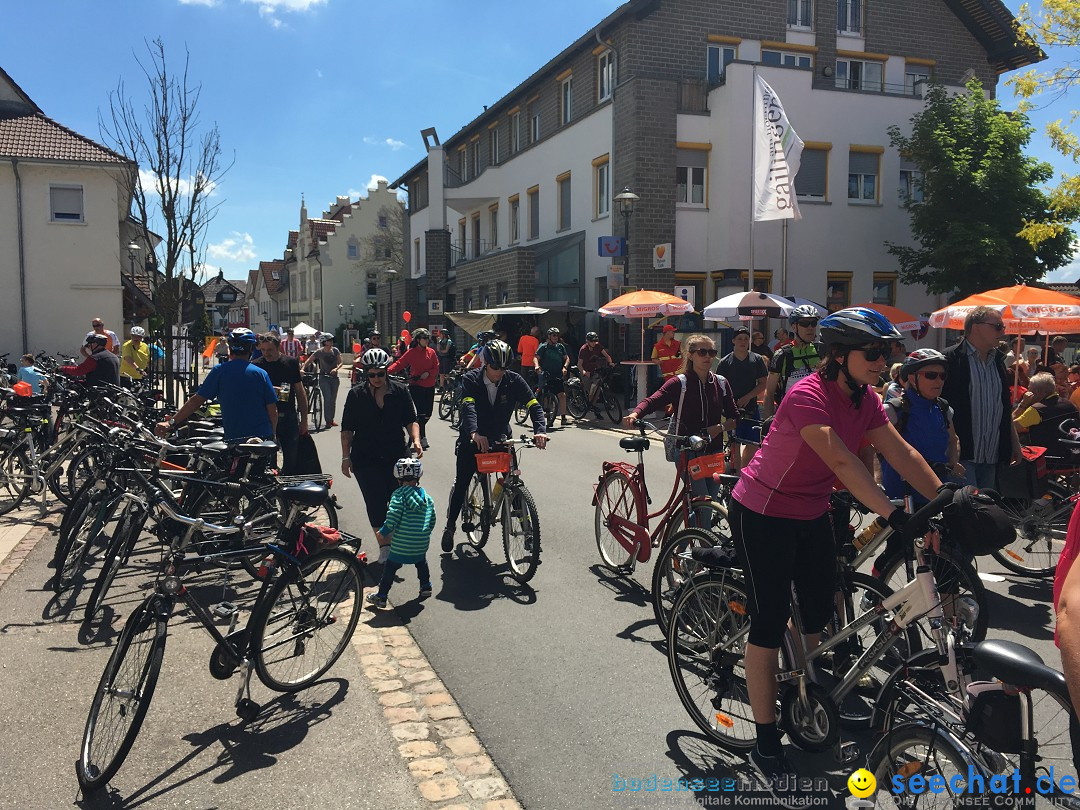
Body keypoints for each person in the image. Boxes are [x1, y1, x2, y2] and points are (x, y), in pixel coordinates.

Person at [727, 308, 943, 800]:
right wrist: (892, 513)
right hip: (762, 510)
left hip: (809, 512)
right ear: (839, 355)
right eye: (873, 353)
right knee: (769, 620)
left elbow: (901, 452)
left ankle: (807, 693)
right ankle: (765, 741)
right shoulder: (807, 395)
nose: (882, 361)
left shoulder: (865, 399)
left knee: (819, 611)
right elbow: (842, 461)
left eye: (886, 352)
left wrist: (944, 499)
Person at [441, 340, 548, 552]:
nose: (499, 372)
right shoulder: (471, 379)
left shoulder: (513, 380)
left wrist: (540, 430)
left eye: (504, 368)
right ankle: (450, 526)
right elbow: (468, 406)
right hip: (473, 438)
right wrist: (474, 432)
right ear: (485, 363)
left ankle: (527, 531)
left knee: (512, 481)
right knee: (462, 482)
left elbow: (533, 404)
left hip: (500, 437)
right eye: (495, 368)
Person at [626, 334, 739, 520]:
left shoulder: (720, 382)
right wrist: (635, 414)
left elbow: (735, 418)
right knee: (705, 504)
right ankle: (707, 547)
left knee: (706, 506)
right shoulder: (680, 382)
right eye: (702, 352)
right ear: (690, 355)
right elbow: (653, 400)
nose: (708, 357)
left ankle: (679, 544)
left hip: (715, 452)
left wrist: (718, 427)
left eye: (712, 352)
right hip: (689, 453)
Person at [340, 347, 423, 563]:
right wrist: (345, 457)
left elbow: (411, 419)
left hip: (396, 455)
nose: (377, 378)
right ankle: (385, 547)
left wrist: (415, 439)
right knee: (376, 502)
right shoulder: (356, 394)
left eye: (381, 373)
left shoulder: (400, 391)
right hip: (365, 457)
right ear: (365, 374)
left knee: (399, 501)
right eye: (372, 374)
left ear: (387, 371)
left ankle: (395, 536)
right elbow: (347, 429)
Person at [941, 305, 1023, 490]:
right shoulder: (951, 359)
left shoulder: (998, 361)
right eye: (998, 326)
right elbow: (940, 406)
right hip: (962, 455)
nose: (1003, 331)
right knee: (967, 512)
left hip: (992, 455)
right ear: (976, 327)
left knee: (986, 513)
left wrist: (1014, 444)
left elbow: (1003, 408)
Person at [155, 328, 277, 443]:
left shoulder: (220, 371)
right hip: (261, 437)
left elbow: (195, 401)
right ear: (251, 349)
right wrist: (273, 434)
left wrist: (171, 422)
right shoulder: (261, 374)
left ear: (230, 348)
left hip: (234, 436)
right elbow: (272, 409)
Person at [880, 349, 963, 502]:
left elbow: (953, 439)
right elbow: (874, 448)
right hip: (902, 495)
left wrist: (953, 461)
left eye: (942, 376)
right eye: (931, 375)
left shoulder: (944, 408)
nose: (939, 381)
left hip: (937, 490)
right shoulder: (893, 409)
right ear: (912, 378)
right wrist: (876, 482)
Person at [365, 457, 437, 609]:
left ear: (397, 477)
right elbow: (432, 518)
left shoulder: (398, 495)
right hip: (421, 542)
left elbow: (393, 515)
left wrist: (383, 532)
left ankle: (382, 596)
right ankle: (426, 586)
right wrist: (425, 533)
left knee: (390, 567)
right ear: (418, 477)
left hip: (401, 544)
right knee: (421, 562)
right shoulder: (426, 497)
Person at [253, 332, 309, 475]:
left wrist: (304, 420)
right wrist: (269, 391)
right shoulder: (256, 366)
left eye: (270, 350)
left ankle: (288, 492)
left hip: (288, 417)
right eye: (263, 350)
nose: (266, 353)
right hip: (265, 419)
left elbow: (300, 392)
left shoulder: (290, 363)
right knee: (267, 464)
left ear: (278, 348)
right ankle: (271, 494)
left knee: (291, 459)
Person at [717, 328, 769, 470]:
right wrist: (728, 403)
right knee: (734, 444)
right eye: (739, 338)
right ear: (733, 341)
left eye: (746, 339)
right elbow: (719, 386)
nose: (743, 342)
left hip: (751, 408)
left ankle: (743, 472)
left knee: (753, 443)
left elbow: (763, 383)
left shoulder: (757, 359)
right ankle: (735, 475)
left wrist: (748, 396)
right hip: (731, 410)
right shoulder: (725, 362)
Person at [762, 305, 821, 418]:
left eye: (813, 323)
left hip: (816, 414)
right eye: (804, 323)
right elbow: (769, 394)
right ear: (794, 327)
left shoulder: (821, 352)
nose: (810, 328)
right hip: (790, 416)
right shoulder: (782, 354)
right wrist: (767, 424)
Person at [389, 327, 440, 449]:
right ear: (418, 339)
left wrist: (429, 373)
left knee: (428, 414)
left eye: (427, 338)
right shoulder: (411, 352)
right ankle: (421, 437)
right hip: (416, 385)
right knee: (421, 413)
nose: (426, 340)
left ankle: (415, 429)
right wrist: (385, 371)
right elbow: (399, 363)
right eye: (424, 338)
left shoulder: (431, 352)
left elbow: (436, 367)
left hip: (430, 385)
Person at [1013, 372, 1079, 460]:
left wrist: (1023, 405)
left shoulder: (1037, 409)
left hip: (1044, 458)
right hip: (1072, 457)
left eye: (1029, 390)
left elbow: (1011, 427)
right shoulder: (1070, 405)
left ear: (1037, 392)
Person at [303, 335, 343, 427]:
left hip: (334, 378)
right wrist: (302, 369)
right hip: (323, 378)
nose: (331, 342)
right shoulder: (319, 352)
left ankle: (331, 419)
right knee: (327, 398)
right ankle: (327, 421)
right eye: (329, 340)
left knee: (333, 400)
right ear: (324, 342)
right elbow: (309, 360)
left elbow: (341, 362)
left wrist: (336, 369)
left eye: (332, 340)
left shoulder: (335, 350)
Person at [534, 326, 570, 426]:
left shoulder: (560, 347)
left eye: (557, 335)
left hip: (558, 373)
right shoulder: (544, 346)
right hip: (546, 373)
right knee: (546, 394)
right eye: (554, 335)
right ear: (549, 336)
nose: (556, 337)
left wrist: (565, 367)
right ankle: (547, 414)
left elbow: (566, 358)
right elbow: (536, 358)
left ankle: (563, 418)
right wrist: (537, 366)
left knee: (562, 395)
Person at [578, 331, 614, 413]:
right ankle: (589, 404)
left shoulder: (598, 346)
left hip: (594, 371)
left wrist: (610, 362)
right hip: (586, 371)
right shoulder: (583, 349)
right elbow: (579, 364)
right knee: (590, 390)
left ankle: (592, 405)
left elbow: (607, 356)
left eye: (595, 341)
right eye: (592, 341)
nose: (594, 343)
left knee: (597, 387)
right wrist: (584, 372)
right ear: (587, 341)